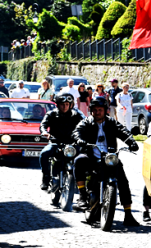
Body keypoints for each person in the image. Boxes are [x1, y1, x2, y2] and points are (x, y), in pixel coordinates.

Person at [72, 96, 140, 227]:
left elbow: (123, 131)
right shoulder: (86, 122)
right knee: (79, 160)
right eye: (95, 110)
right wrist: (79, 139)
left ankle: (128, 213)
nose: (97, 112)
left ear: (105, 110)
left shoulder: (112, 123)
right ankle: (82, 195)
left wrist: (131, 142)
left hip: (109, 157)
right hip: (91, 156)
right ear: (91, 110)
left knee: (123, 181)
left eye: (100, 109)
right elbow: (77, 132)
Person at [39, 94, 83, 190]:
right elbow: (43, 125)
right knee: (44, 153)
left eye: (67, 104)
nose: (65, 106)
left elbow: (85, 123)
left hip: (72, 143)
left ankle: (82, 181)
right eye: (62, 104)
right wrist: (45, 132)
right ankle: (46, 177)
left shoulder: (76, 115)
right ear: (57, 105)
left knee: (83, 157)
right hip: (55, 142)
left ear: (71, 104)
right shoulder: (51, 114)